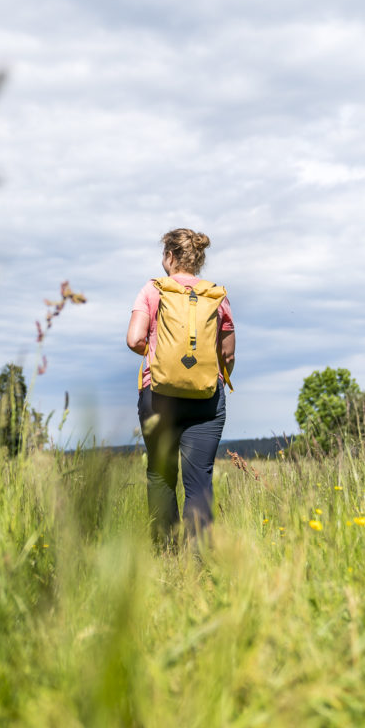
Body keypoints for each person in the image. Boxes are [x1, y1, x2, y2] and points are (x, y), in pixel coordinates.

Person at [126, 228, 235, 548]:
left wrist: (160, 357)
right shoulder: (217, 294)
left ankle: (166, 557)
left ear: (170, 257)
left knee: (160, 476)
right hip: (206, 399)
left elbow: (134, 339)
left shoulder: (153, 289)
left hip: (158, 396)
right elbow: (227, 354)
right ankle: (198, 564)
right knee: (199, 481)